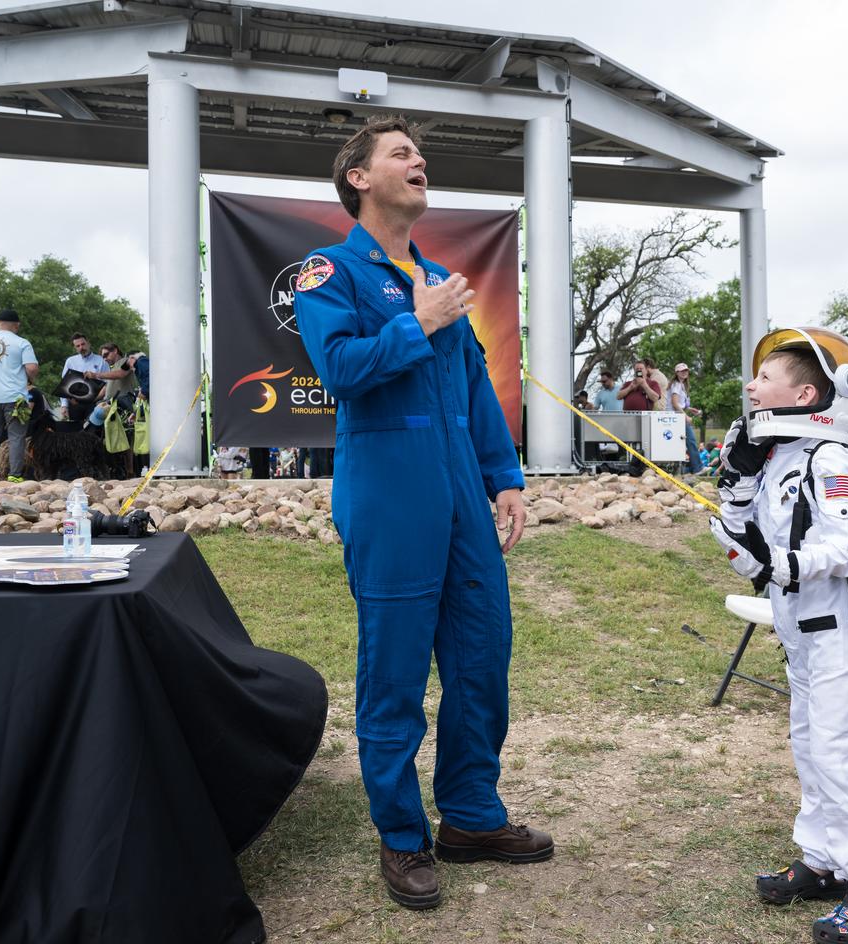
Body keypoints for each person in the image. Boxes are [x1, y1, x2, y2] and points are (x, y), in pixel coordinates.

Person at [293, 114, 549, 911]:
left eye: (419, 153)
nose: (419, 161)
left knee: (482, 656)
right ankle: (402, 836)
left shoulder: (438, 273)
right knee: (396, 670)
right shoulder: (329, 272)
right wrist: (418, 322)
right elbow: (340, 368)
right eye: (400, 153)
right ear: (358, 179)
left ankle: (471, 816)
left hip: (462, 500)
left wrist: (502, 474)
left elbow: (474, 387)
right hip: (390, 493)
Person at [710, 326, 848, 943]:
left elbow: (843, 550)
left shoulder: (833, 459)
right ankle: (821, 860)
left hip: (841, 631)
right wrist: (736, 478)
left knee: (845, 753)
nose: (751, 384)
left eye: (765, 378)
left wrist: (778, 565)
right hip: (800, 632)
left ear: (808, 395)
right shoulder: (780, 458)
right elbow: (745, 526)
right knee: (811, 746)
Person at [0, 309, 38, 484]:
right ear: (16, 325)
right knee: (16, 436)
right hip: (16, 398)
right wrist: (30, 379)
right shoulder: (22, 343)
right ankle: (15, 474)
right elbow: (32, 368)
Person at [61, 332, 106, 422]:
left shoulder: (101, 361)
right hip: (74, 404)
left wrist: (99, 401)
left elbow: (107, 384)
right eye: (78, 346)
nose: (81, 348)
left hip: (95, 404)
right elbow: (64, 385)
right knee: (75, 432)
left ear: (88, 343)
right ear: (75, 348)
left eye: (83, 344)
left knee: (93, 432)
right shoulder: (70, 361)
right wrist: (64, 405)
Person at [667, 363, 703, 473]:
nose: (684, 372)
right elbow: (674, 403)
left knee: (686, 443)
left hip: (678, 417)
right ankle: (698, 468)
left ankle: (690, 469)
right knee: (691, 441)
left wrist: (690, 409)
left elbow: (681, 404)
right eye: (682, 371)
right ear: (677, 373)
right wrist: (686, 416)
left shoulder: (682, 385)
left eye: (686, 370)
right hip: (676, 418)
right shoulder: (676, 385)